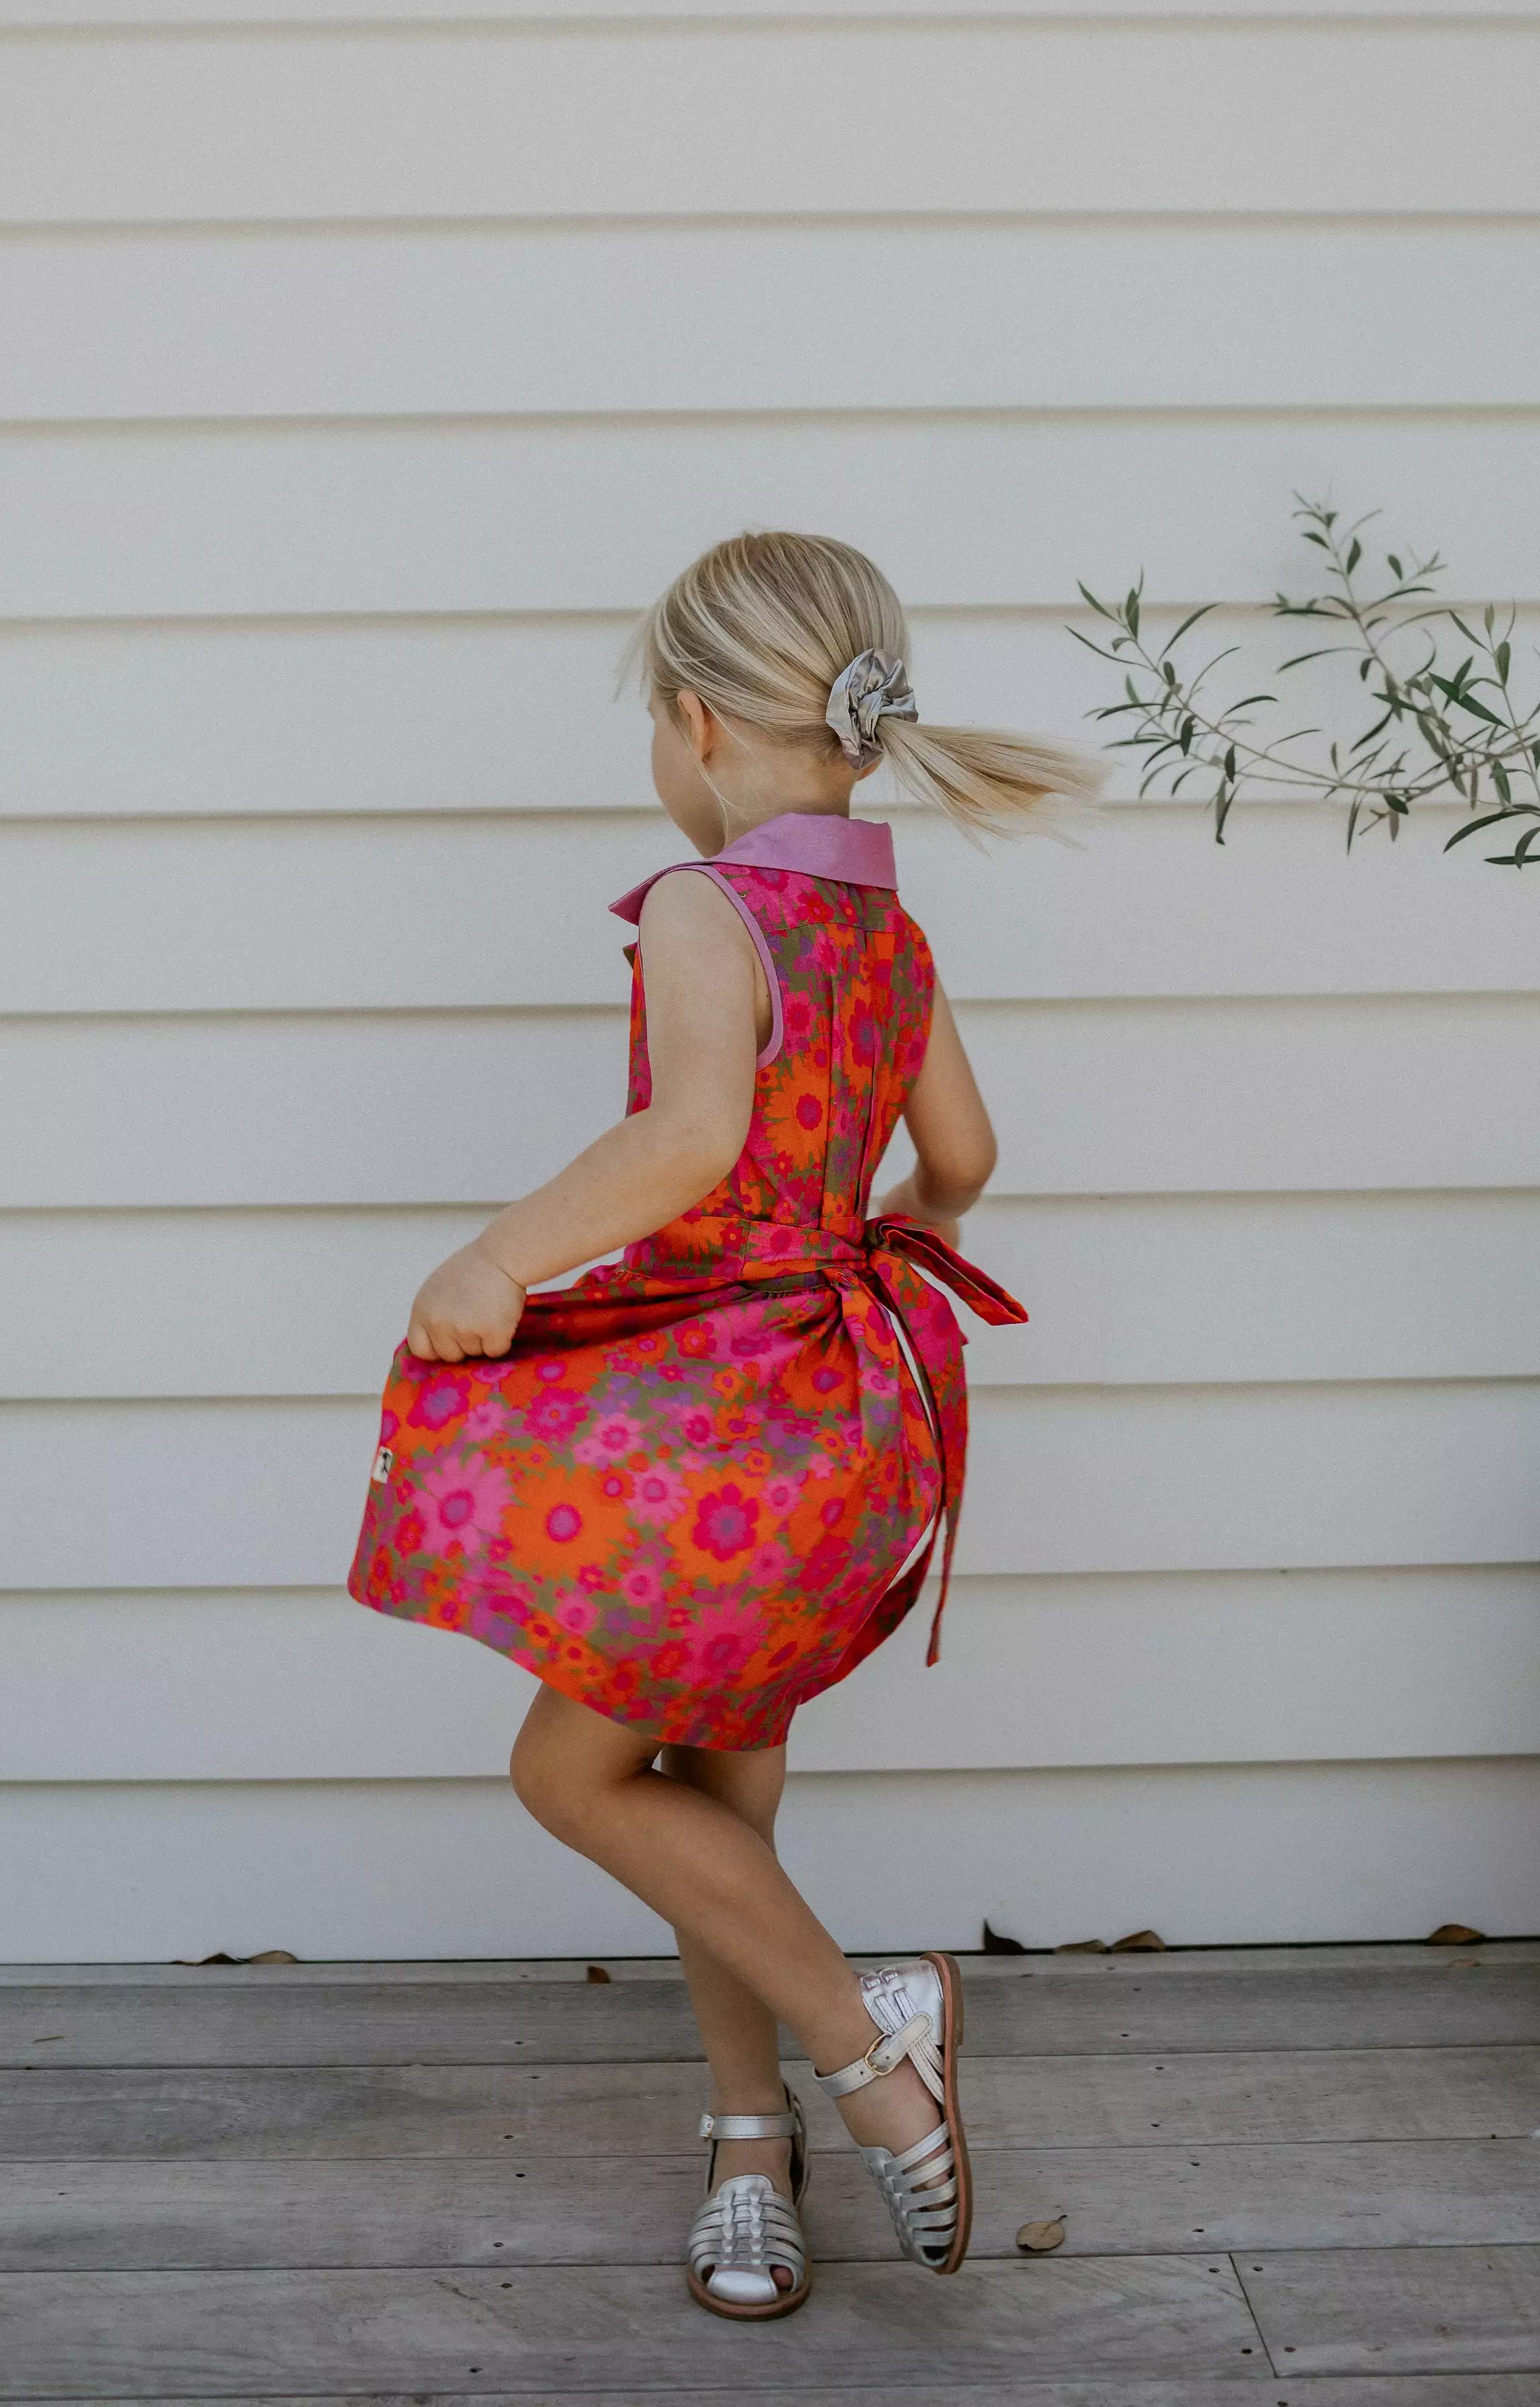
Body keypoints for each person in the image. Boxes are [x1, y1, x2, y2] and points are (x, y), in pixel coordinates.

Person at [349, 530, 1098, 2317]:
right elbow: (971, 1163)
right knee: (714, 1793)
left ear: (690, 721)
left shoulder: (711, 907)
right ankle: (748, 2148)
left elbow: (685, 1140)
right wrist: (862, 1243)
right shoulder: (882, 924)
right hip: (845, 1419)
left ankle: (862, 2032)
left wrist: (490, 1259)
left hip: (717, 1426)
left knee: (570, 1769)